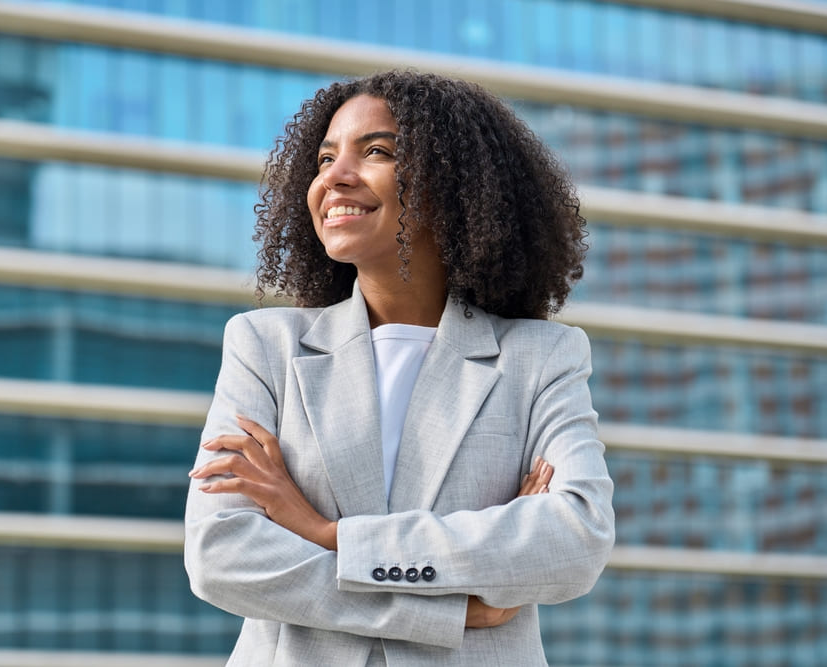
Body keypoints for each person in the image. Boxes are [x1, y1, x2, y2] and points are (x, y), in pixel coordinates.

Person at [184, 70, 614, 666]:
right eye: (325, 157)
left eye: (377, 151)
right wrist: (448, 610)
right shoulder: (264, 346)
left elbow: (574, 539)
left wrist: (327, 534)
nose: (334, 176)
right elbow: (220, 555)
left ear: (456, 184)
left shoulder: (541, 357)